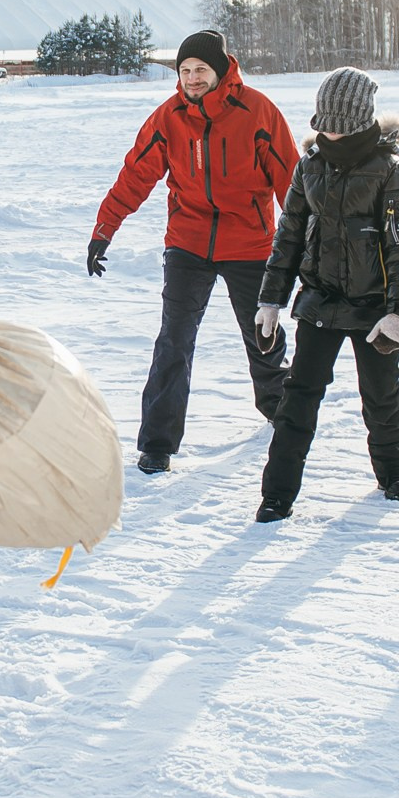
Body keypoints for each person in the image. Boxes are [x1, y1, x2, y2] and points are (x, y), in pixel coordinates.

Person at [89, 29, 298, 473]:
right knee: (174, 340)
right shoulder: (169, 117)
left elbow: (291, 184)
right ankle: (158, 443)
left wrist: (307, 246)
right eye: (184, 71)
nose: (192, 78)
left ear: (220, 70)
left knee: (261, 333)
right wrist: (104, 229)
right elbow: (135, 175)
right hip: (188, 242)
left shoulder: (257, 111)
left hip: (249, 243)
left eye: (201, 69)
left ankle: (280, 408)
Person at [253, 69, 399, 520]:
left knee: (381, 395)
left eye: (340, 125)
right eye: (323, 122)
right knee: (299, 397)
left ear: (360, 121)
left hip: (374, 308)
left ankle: (393, 474)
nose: (329, 132)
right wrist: (270, 301)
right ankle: (277, 494)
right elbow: (288, 236)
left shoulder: (389, 170)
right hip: (320, 300)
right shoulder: (310, 167)